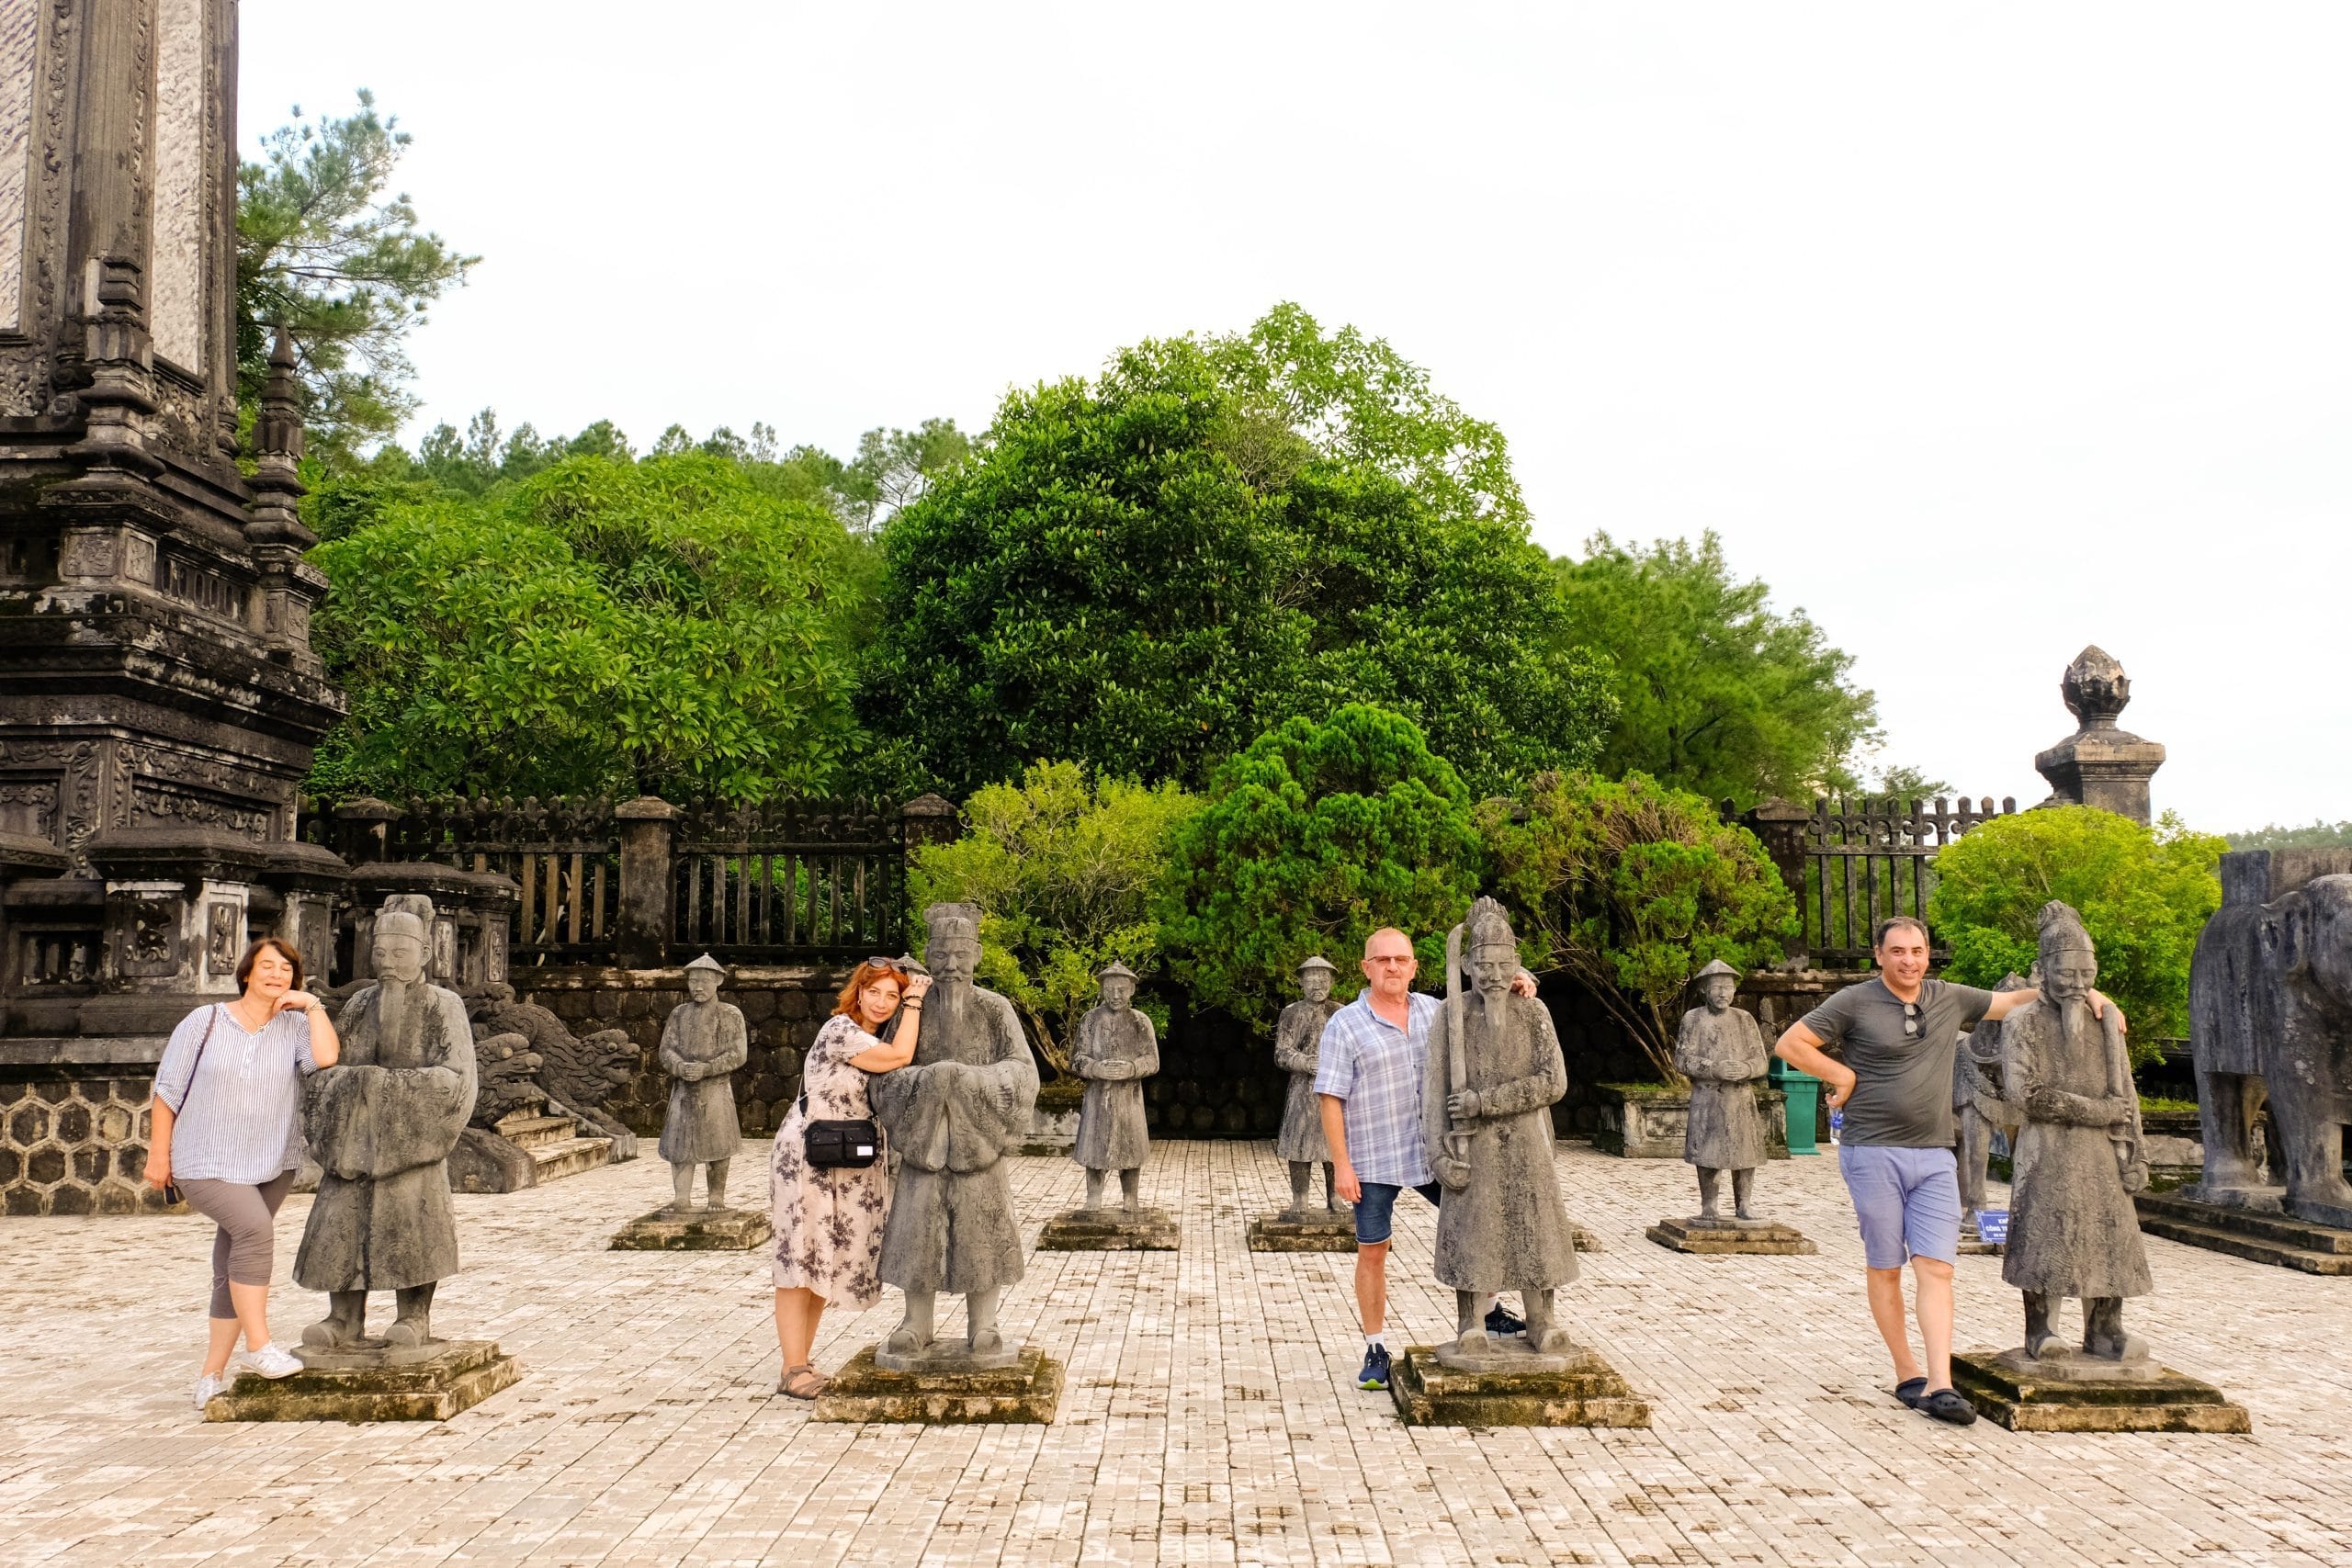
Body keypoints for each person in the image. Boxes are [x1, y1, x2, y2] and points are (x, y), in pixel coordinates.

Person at [1772, 915, 2118, 1426]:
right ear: (1879, 955)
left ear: (1928, 954)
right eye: (1897, 951)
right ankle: (1906, 1371)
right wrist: (1841, 1074)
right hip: (1872, 1152)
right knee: (1886, 1266)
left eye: (1917, 951)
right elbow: (1790, 1044)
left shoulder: (1949, 997)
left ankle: (1941, 1383)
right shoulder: (1853, 1001)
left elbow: (2014, 1001)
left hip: (1935, 1155)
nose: (1908, 961)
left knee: (1936, 1267)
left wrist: (2095, 996)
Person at [1316, 926, 1536, 1393]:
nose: (1392, 967)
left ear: (1414, 967)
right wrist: (1342, 1165)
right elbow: (1330, 1097)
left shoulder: (1438, 1011)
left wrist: (1520, 980)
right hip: (1375, 1157)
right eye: (1382, 960)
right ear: (1366, 967)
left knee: (1480, 1224)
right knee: (1373, 1250)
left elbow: (1487, 1002)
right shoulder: (1345, 1025)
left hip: (1438, 1152)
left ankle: (1489, 1312)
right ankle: (1375, 1346)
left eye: (1401, 959)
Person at [143, 938, 341, 1412]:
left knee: (230, 1263)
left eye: (286, 969)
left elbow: (326, 1058)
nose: (277, 975)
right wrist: (159, 1154)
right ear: (247, 973)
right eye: (267, 966)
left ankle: (211, 1375)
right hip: (204, 1158)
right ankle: (259, 1346)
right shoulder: (205, 1020)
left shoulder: (296, 1025)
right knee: (254, 1231)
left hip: (272, 1160)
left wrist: (312, 1005)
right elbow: (167, 1091)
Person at [771, 957, 931, 1399]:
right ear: (858, 992)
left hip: (848, 1158)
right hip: (809, 1158)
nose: (881, 1002)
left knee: (824, 1259)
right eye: (874, 991)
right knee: (800, 1258)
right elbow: (900, 1057)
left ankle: (801, 1361)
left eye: (892, 996)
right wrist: (916, 1001)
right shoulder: (839, 1031)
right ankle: (793, 1367)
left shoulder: (873, 1037)